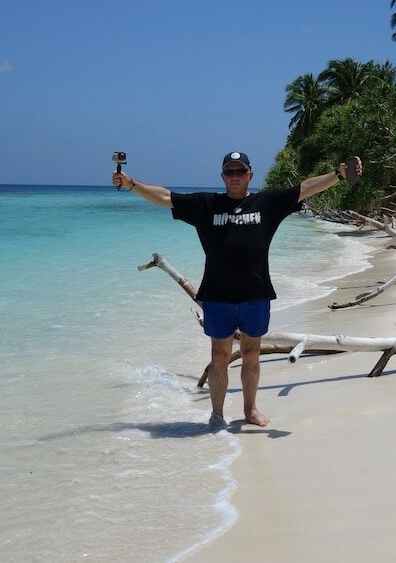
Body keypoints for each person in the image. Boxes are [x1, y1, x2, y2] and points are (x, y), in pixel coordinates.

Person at [113, 151, 363, 427]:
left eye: (240, 172)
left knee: (251, 354)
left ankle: (250, 410)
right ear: (222, 176)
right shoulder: (206, 204)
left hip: (255, 294)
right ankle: (217, 415)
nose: (235, 177)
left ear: (250, 175)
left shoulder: (266, 203)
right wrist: (132, 185)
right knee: (219, 356)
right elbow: (164, 197)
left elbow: (304, 188)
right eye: (229, 172)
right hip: (218, 295)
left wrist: (339, 175)